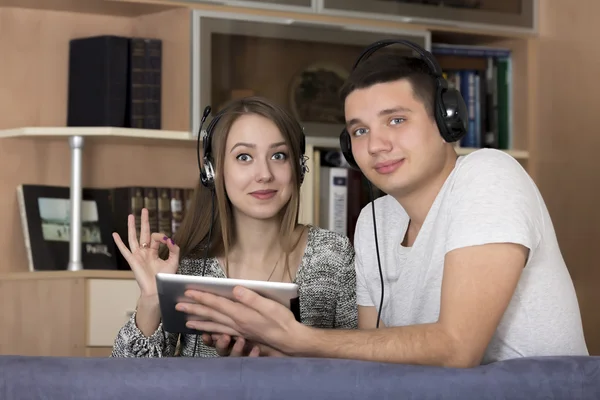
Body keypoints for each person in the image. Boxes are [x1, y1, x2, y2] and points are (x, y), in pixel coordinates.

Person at [181, 41, 590, 367]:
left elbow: (456, 347)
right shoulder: (376, 221)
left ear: (447, 119)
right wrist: (275, 348)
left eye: (396, 120)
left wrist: (300, 337)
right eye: (359, 130)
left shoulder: (489, 175)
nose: (376, 144)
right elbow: (370, 357)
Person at [110, 96, 357, 358]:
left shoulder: (333, 254)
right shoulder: (189, 263)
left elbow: (365, 369)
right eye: (244, 157)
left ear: (299, 167)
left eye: (278, 155)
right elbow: (129, 381)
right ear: (213, 172)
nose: (264, 173)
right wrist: (151, 299)